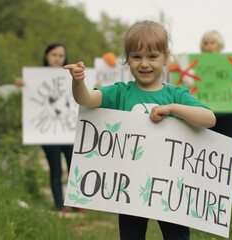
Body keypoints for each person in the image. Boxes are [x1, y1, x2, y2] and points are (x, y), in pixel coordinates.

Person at [65, 20, 215, 240]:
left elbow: (209, 119)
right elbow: (86, 99)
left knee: (177, 236)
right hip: (130, 186)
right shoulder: (120, 92)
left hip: (170, 187)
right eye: (137, 56)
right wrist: (78, 82)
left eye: (152, 56)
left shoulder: (176, 95)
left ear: (166, 58)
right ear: (127, 59)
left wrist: (172, 108)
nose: (145, 63)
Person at [16, 42, 82, 213]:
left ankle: (76, 202)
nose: (58, 58)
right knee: (56, 169)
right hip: (48, 134)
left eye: (61, 55)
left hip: (68, 132)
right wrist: (23, 85)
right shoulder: (35, 77)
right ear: (47, 56)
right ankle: (60, 205)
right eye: (54, 55)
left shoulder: (72, 75)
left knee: (73, 166)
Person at [200, 30, 232, 139]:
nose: (209, 46)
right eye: (206, 43)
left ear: (219, 45)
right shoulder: (196, 66)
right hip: (205, 115)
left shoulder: (231, 64)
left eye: (212, 43)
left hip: (229, 114)